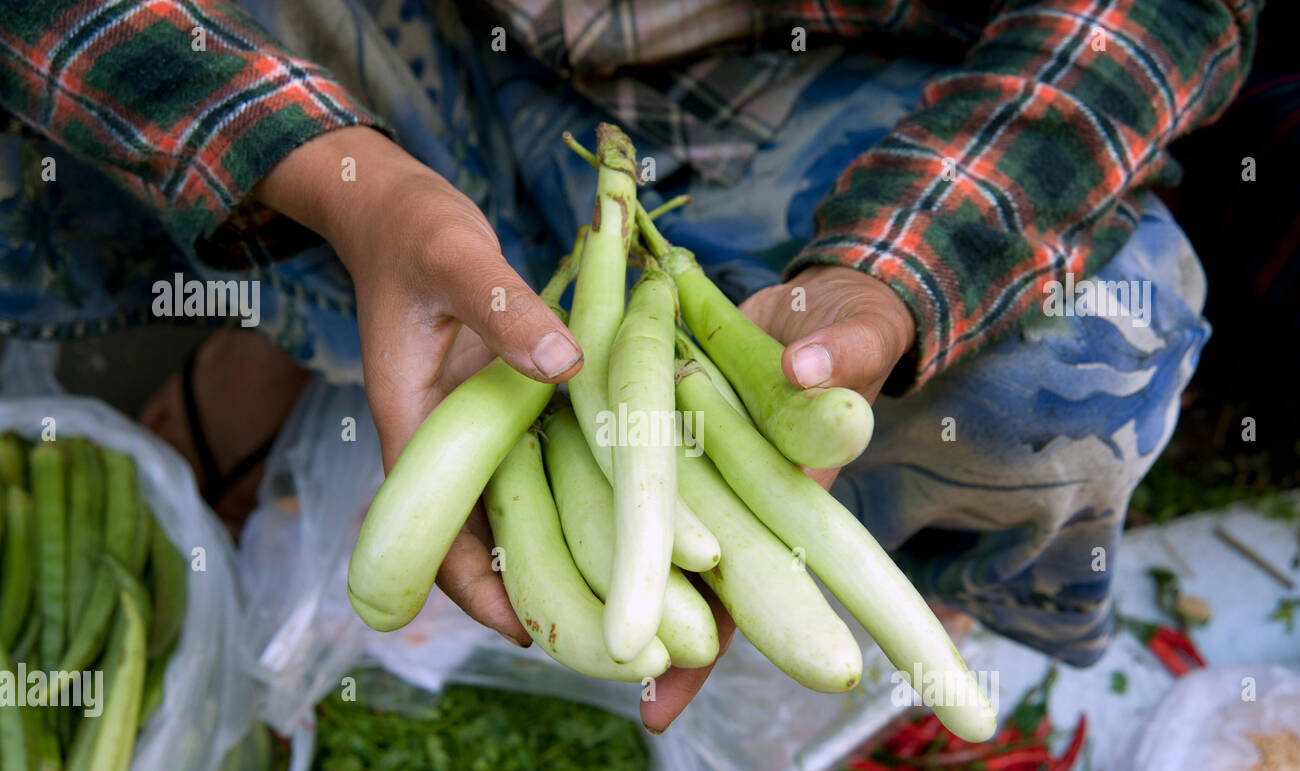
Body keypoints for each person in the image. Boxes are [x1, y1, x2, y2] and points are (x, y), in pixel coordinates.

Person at [0, 0, 1259, 733]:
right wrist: (344, 178)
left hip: (778, 77)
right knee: (103, 102)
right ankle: (311, 290)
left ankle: (928, 554)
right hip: (380, 33)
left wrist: (892, 274)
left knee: (1072, 359)